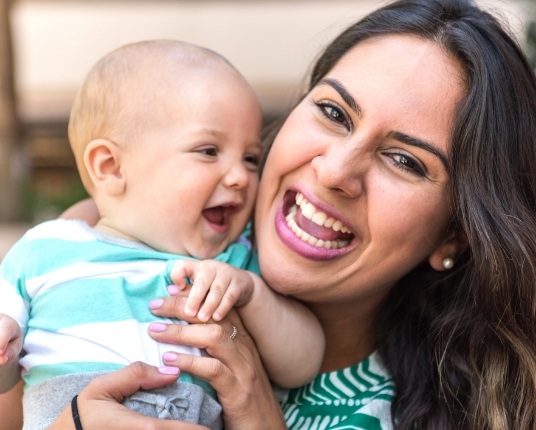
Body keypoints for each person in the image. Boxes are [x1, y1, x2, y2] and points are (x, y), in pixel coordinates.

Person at [4, 0, 536, 428]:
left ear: (455, 236)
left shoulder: (378, 415)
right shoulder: (126, 231)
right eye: (333, 112)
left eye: (404, 161)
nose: (333, 172)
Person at [0, 40, 325, 429]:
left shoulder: (228, 265)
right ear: (111, 167)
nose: (240, 176)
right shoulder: (46, 249)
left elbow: (303, 363)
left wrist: (251, 292)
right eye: (208, 151)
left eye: (251, 158)